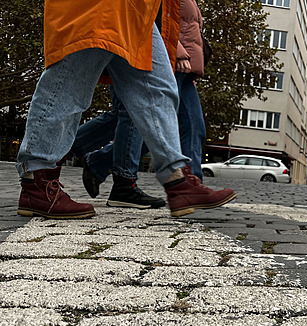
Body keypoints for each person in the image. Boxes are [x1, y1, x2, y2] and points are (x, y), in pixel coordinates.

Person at [16, 0, 236, 219]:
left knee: (159, 90)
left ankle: (178, 180)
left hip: (138, 12)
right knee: (69, 84)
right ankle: (37, 180)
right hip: (97, 6)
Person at [78, 0, 208, 209]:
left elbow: (186, 27)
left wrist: (190, 63)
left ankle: (192, 183)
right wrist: (177, 51)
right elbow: (155, 16)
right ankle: (75, 152)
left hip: (181, 66)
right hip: (154, 54)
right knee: (140, 121)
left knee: (188, 125)